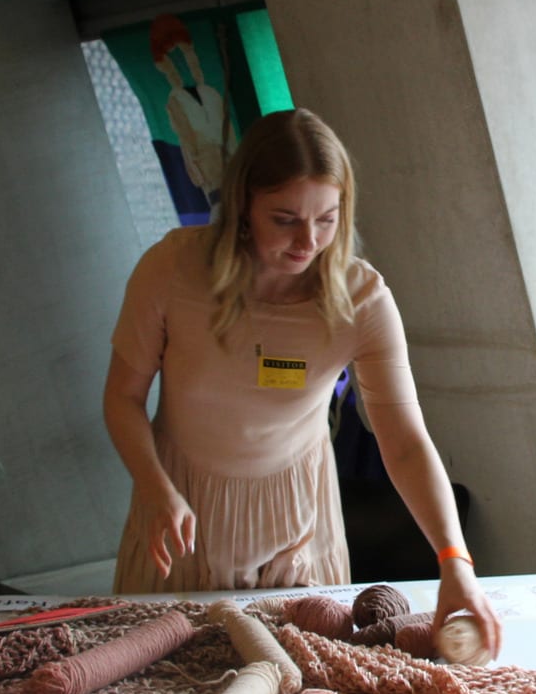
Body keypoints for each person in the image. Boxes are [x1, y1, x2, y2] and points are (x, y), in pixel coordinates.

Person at [103, 108, 501, 654]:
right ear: (243, 205)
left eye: (327, 218)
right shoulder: (172, 268)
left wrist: (454, 559)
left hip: (296, 522)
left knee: (304, 681)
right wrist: (154, 489)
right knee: (160, 682)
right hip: (182, 510)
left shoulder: (361, 298)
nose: (307, 241)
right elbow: (122, 399)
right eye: (285, 219)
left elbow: (405, 443)